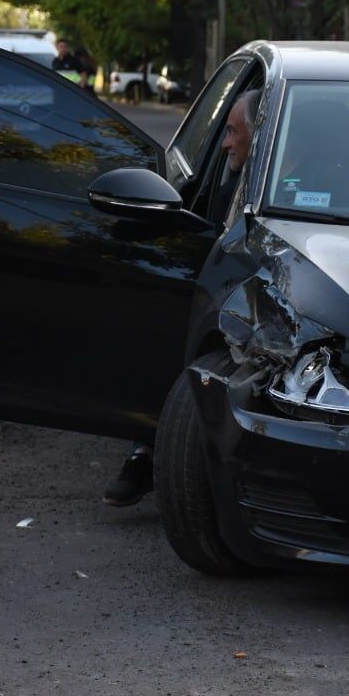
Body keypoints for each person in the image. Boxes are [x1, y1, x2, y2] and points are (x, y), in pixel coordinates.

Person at [102, 88, 260, 507]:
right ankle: (147, 450)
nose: (225, 142)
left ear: (260, 135)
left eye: (234, 132)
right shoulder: (224, 179)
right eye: (223, 131)